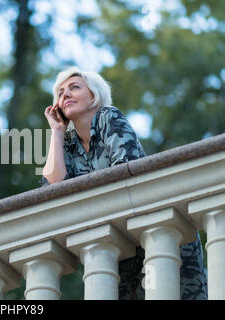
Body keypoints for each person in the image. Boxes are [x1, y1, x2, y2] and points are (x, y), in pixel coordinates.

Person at [40, 66, 207, 300]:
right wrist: (56, 133)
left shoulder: (109, 117)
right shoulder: (65, 144)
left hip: (159, 235)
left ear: (94, 96)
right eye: (60, 92)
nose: (65, 94)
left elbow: (125, 175)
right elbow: (52, 189)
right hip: (119, 247)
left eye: (74, 87)